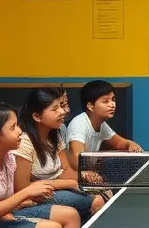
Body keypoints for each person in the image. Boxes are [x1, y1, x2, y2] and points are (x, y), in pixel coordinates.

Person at [15, 87, 105, 220]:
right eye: (55, 109)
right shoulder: (24, 143)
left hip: (54, 188)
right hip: (36, 196)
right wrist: (70, 184)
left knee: (102, 192)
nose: (62, 112)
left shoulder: (54, 135)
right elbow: (22, 188)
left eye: (61, 106)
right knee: (95, 201)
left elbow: (66, 169)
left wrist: (83, 177)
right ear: (37, 116)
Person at [65, 80, 142, 172]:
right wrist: (90, 175)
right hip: (72, 176)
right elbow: (76, 158)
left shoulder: (102, 125)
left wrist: (130, 144)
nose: (112, 105)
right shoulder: (79, 123)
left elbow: (119, 143)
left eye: (113, 100)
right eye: (105, 101)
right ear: (90, 106)